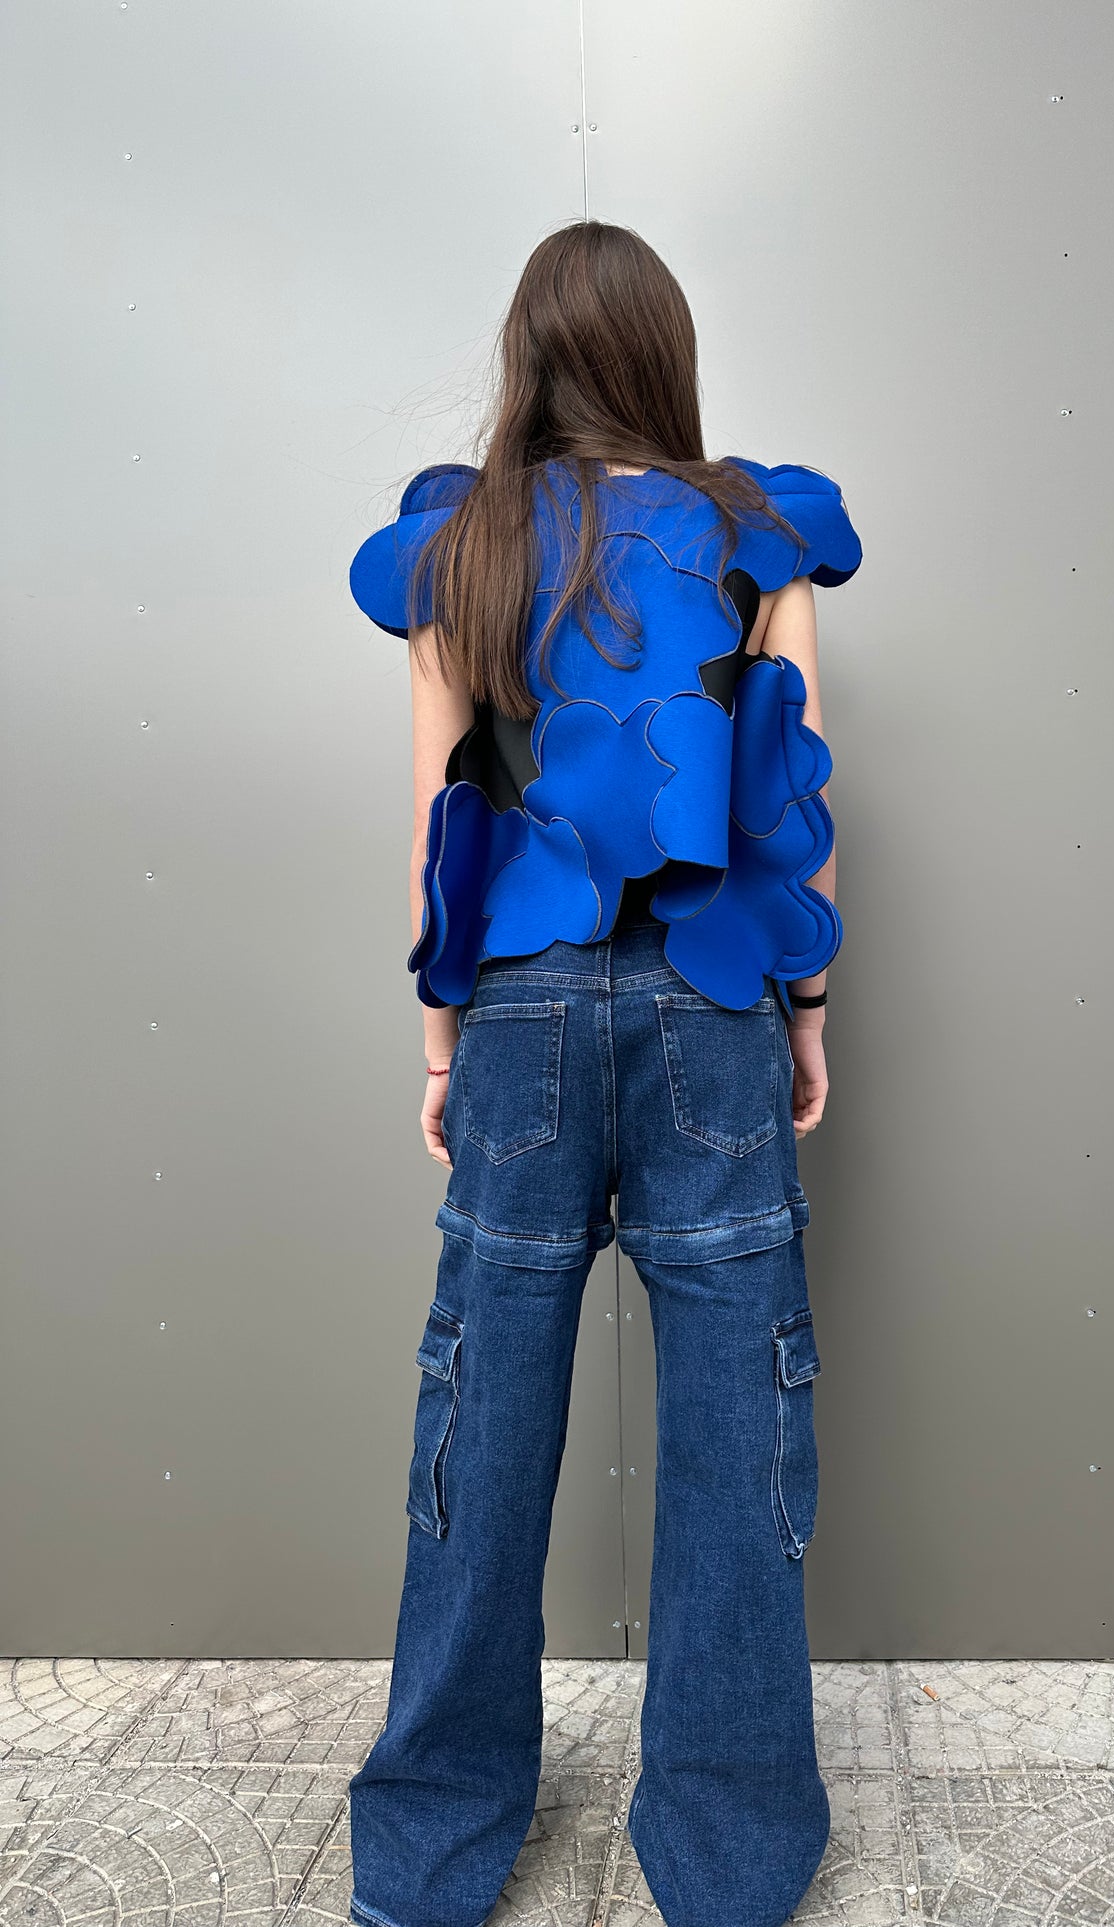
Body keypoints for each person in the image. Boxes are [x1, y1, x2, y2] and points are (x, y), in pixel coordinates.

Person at [343, 219, 862, 1927]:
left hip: (521, 1016)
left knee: (478, 1424)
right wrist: (802, 1012)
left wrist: (439, 1042)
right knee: (735, 1432)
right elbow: (787, 813)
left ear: (525, 361)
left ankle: (425, 1858)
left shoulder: (462, 547)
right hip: (710, 1007)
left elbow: (443, 828)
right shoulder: (752, 530)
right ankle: (726, 1866)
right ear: (661, 353)